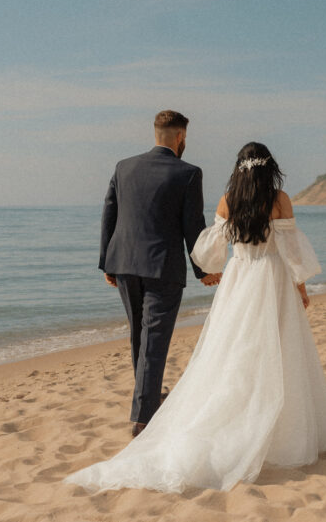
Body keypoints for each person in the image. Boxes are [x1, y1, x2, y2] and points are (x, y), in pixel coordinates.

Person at [66, 142, 326, 493]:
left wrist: (211, 269)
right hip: (272, 281)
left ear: (239, 168)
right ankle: (279, 429)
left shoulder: (229, 200)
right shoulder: (279, 200)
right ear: (268, 167)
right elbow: (290, 252)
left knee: (233, 353)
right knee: (280, 350)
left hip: (240, 280)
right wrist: (301, 288)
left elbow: (210, 253)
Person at [98, 110, 220, 438]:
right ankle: (142, 419)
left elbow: (110, 213)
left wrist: (107, 262)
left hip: (124, 263)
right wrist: (204, 270)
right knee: (153, 339)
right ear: (180, 137)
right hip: (163, 267)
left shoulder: (124, 167)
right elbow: (192, 227)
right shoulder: (189, 173)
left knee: (140, 334)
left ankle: (148, 399)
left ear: (156, 134)